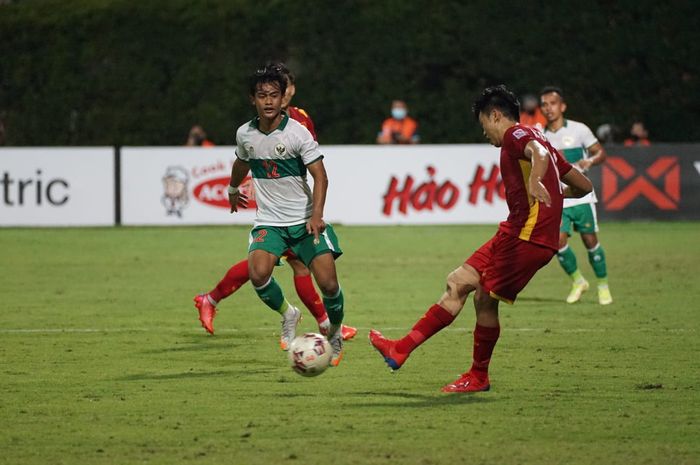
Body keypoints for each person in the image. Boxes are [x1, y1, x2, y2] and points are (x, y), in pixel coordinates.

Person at [369, 85, 592, 392]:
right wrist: (554, 189)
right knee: (458, 281)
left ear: (495, 115)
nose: (485, 133)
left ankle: (478, 375)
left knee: (484, 299)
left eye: (484, 124)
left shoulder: (516, 136)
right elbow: (584, 186)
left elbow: (537, 154)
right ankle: (400, 349)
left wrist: (539, 180)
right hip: (513, 231)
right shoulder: (542, 139)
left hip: (529, 237)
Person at [193, 63, 357, 343]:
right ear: (253, 99)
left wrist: (316, 215)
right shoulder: (245, 133)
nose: (268, 100)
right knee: (258, 273)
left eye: (274, 95)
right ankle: (294, 315)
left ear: (284, 96)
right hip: (270, 221)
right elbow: (242, 160)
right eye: (262, 95)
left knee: (328, 284)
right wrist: (233, 187)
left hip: (303, 220)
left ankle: (334, 328)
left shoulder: (298, 129)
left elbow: (320, 176)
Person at [540, 86, 613, 305]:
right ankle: (578, 281)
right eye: (544, 104)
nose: (548, 108)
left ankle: (603, 286)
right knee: (557, 243)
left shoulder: (579, 130)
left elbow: (600, 152)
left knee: (590, 242)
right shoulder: (541, 136)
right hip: (560, 198)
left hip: (581, 197)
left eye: (552, 103)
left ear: (562, 106)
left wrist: (589, 161)